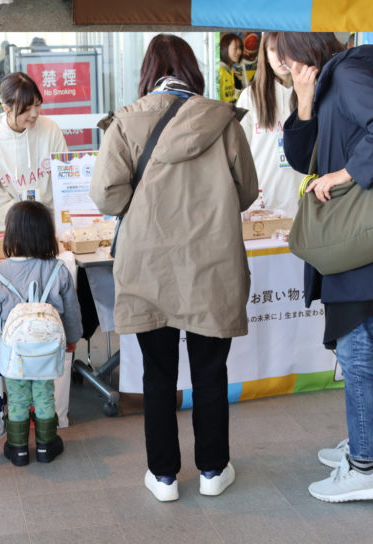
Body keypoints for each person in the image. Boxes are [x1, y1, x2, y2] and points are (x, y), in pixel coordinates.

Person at [89, 34, 258, 502]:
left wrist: (142, 205)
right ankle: (213, 471)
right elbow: (247, 192)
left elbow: (106, 196)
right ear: (193, 71)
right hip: (212, 261)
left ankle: (163, 476)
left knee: (157, 372)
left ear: (148, 72)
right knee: (210, 370)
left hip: (148, 265)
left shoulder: (125, 122)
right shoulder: (222, 120)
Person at [278, 32, 373, 503]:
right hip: (356, 236)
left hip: (364, 236)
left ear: (298, 51)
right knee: (356, 343)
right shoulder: (328, 82)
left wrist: (346, 174)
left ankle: (364, 464)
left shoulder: (347, 73)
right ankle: (370, 449)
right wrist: (304, 101)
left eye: (278, 54)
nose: (277, 64)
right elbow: (300, 158)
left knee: (354, 345)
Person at [0, 200, 82, 465]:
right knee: (45, 395)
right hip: (48, 351)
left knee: (18, 398)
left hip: (13, 354)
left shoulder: (0, 274)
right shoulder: (59, 270)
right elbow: (72, 310)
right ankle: (46, 446)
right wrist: (72, 339)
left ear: (11, 234)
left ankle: (18, 449)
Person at [0, 72, 66, 231]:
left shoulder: (50, 129)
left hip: (48, 222)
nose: (34, 114)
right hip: (10, 226)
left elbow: (63, 175)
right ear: (6, 108)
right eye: (26, 109)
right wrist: (23, 221)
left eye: (37, 105)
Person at [237, 31, 300, 218]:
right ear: (265, 54)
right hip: (262, 202)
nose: (281, 58)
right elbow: (238, 154)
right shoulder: (250, 97)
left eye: (286, 49)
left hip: (303, 199)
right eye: (273, 50)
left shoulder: (310, 93)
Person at [219, 32, 245, 103]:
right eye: (235, 48)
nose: (239, 52)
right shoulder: (220, 72)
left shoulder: (231, 71)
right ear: (225, 48)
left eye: (240, 48)